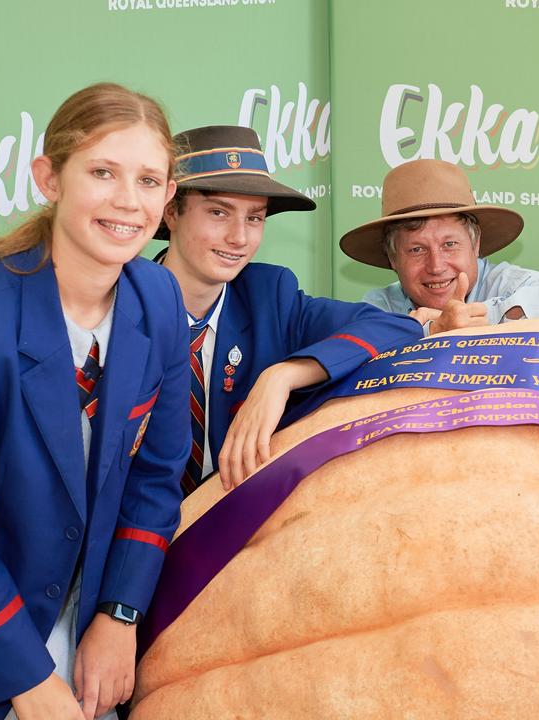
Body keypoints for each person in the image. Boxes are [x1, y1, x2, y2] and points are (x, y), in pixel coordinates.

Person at [0, 83, 188, 720]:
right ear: (49, 178)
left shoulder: (160, 298)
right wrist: (27, 679)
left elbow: (157, 475)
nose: (125, 202)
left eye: (147, 180)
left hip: (88, 621)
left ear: (168, 198)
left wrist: (119, 612)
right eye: (102, 172)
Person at [155, 126, 422, 492]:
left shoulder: (269, 295)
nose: (240, 237)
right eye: (219, 213)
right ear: (171, 212)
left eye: (255, 218)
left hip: (229, 531)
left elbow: (395, 327)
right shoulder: (122, 303)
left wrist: (281, 376)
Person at [341, 158, 539, 334]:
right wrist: (433, 330)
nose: (436, 265)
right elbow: (351, 348)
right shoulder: (380, 305)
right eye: (416, 250)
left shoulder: (509, 284)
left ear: (476, 244)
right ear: (392, 259)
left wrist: (485, 317)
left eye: (450, 244)